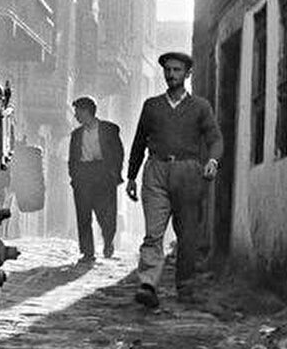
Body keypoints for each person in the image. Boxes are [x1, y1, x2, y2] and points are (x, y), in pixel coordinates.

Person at [126, 50, 223, 307]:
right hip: (156, 169)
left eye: (177, 70)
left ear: (187, 74)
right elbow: (138, 143)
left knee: (188, 233)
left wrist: (212, 160)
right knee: (153, 233)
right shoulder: (152, 106)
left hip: (188, 172)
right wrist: (132, 176)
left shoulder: (200, 107)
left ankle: (185, 286)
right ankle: (148, 283)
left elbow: (215, 139)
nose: (171, 75)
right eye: (168, 70)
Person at [67, 96, 124, 263]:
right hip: (83, 176)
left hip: (103, 175)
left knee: (105, 214)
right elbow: (72, 158)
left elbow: (118, 153)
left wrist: (114, 173)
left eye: (78, 112)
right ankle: (88, 252)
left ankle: (108, 241)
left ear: (86, 112)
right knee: (83, 215)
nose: (76, 116)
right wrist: (74, 176)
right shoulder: (76, 134)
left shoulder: (109, 129)